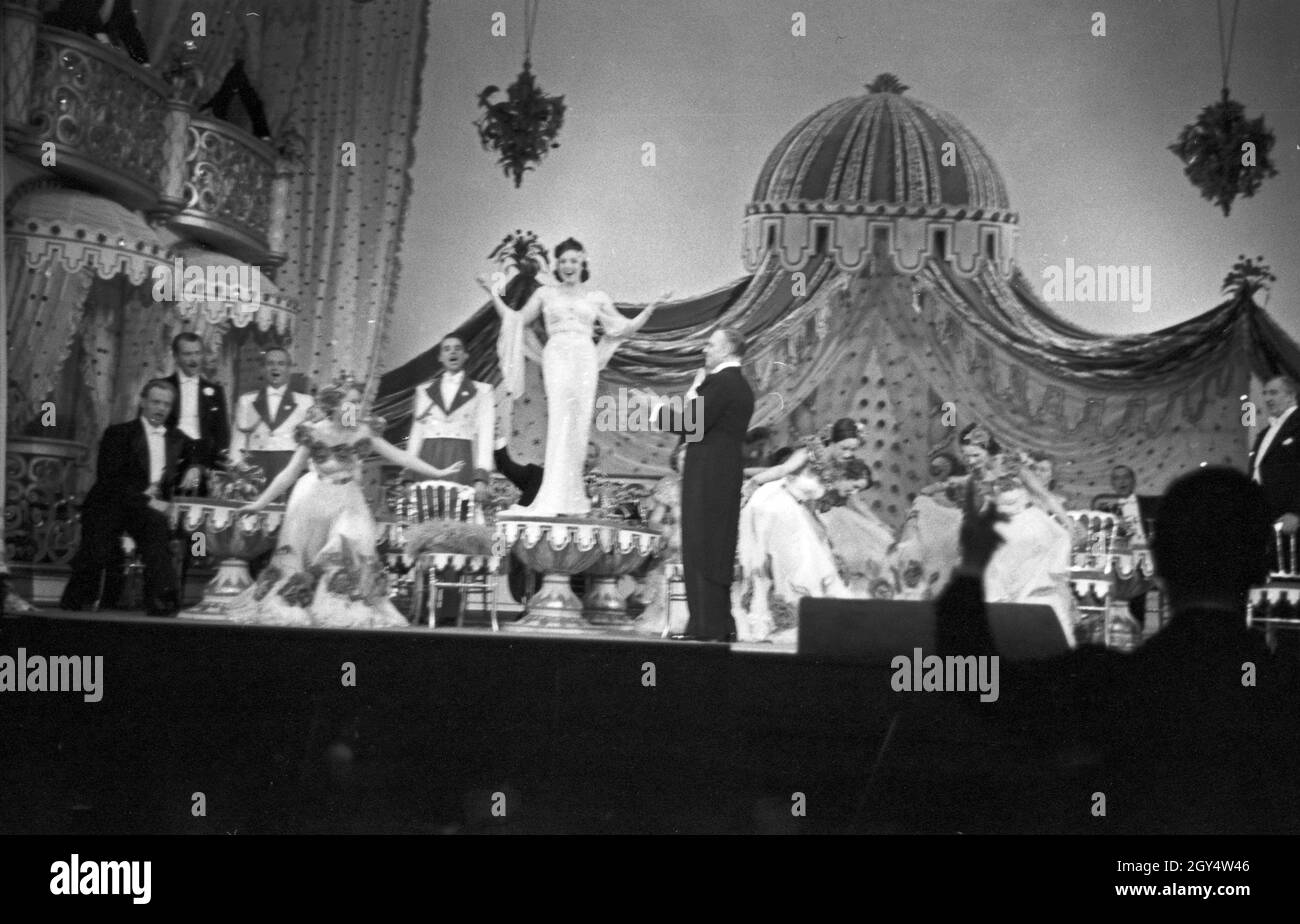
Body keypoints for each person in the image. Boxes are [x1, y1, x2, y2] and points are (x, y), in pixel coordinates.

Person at [936, 467, 1300, 834]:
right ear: (1260, 565)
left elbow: (968, 678)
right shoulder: (1284, 695)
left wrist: (971, 569)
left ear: (1158, 560)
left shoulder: (1099, 682)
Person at [223, 376, 463, 628]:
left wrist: (438, 472)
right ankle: (295, 605)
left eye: (358, 403)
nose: (356, 409)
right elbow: (288, 474)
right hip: (312, 500)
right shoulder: (313, 431)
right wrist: (258, 504)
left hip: (348, 501)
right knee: (298, 562)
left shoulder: (362, 431)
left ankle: (343, 608)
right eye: (350, 403)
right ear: (333, 405)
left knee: (347, 548)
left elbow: (401, 456)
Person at [482, 238, 667, 516]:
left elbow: (623, 329)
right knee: (560, 420)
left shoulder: (596, 297)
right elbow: (516, 320)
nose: (569, 266)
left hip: (584, 359)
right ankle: (552, 497)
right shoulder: (545, 294)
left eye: (574, 260)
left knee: (579, 424)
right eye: (564, 261)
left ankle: (573, 498)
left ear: (583, 262)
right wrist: (493, 293)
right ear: (557, 265)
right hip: (557, 356)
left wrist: (650, 311)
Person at [646, 329, 755, 641]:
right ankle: (709, 624)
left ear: (728, 349)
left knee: (705, 550)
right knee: (708, 550)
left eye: (711, 344)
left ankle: (708, 627)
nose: (705, 349)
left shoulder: (725, 382)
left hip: (710, 478)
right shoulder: (730, 384)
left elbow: (693, 424)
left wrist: (655, 408)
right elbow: (699, 428)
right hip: (714, 475)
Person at [59, 380, 200, 616]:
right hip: (110, 503)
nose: (160, 408)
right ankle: (77, 602)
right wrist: (154, 503)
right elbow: (111, 480)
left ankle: (161, 603)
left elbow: (202, 449)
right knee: (97, 548)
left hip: (145, 511)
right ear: (142, 401)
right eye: (155, 402)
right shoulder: (119, 433)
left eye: (166, 404)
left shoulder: (176, 438)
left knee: (156, 531)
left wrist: (195, 467)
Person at [734, 435, 861, 643]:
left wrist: (819, 529)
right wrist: (754, 482)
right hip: (775, 505)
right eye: (845, 447)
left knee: (806, 564)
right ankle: (765, 619)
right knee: (773, 566)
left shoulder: (830, 470)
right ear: (834, 441)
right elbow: (782, 470)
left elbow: (810, 503)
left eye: (853, 450)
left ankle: (790, 619)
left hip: (794, 512)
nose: (848, 454)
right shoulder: (809, 451)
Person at [408, 334, 495, 624]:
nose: (453, 353)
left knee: (456, 534)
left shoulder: (482, 391)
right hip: (427, 462)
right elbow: (417, 432)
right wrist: (409, 471)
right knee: (425, 533)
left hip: (461, 463)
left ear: (467, 355)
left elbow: (485, 435)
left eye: (458, 348)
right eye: (447, 349)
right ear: (440, 357)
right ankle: (421, 603)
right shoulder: (424, 391)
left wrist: (481, 476)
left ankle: (450, 609)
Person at [230, 347, 314, 485]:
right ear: (262, 369)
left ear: (289, 369)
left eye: (281, 364)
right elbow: (238, 438)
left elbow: (309, 440)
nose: (275, 368)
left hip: (289, 465)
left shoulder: (305, 401)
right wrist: (237, 465)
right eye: (270, 363)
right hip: (255, 466)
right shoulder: (247, 400)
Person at [630, 441, 688, 635]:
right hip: (675, 542)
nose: (685, 462)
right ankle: (669, 621)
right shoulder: (669, 485)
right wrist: (666, 531)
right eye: (681, 459)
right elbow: (654, 520)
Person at [165, 332, 230, 495]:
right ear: (175, 356)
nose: (193, 360)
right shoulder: (162, 387)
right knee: (166, 505)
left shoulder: (215, 391)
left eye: (197, 353)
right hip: (169, 457)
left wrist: (211, 467)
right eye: (187, 354)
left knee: (193, 496)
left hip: (201, 460)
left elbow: (222, 434)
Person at [1250, 375, 1300, 550]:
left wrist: (1297, 512)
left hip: (1290, 520)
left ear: (1291, 395)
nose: (1267, 398)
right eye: (1264, 393)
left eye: (1273, 393)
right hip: (1266, 518)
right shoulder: (1265, 433)